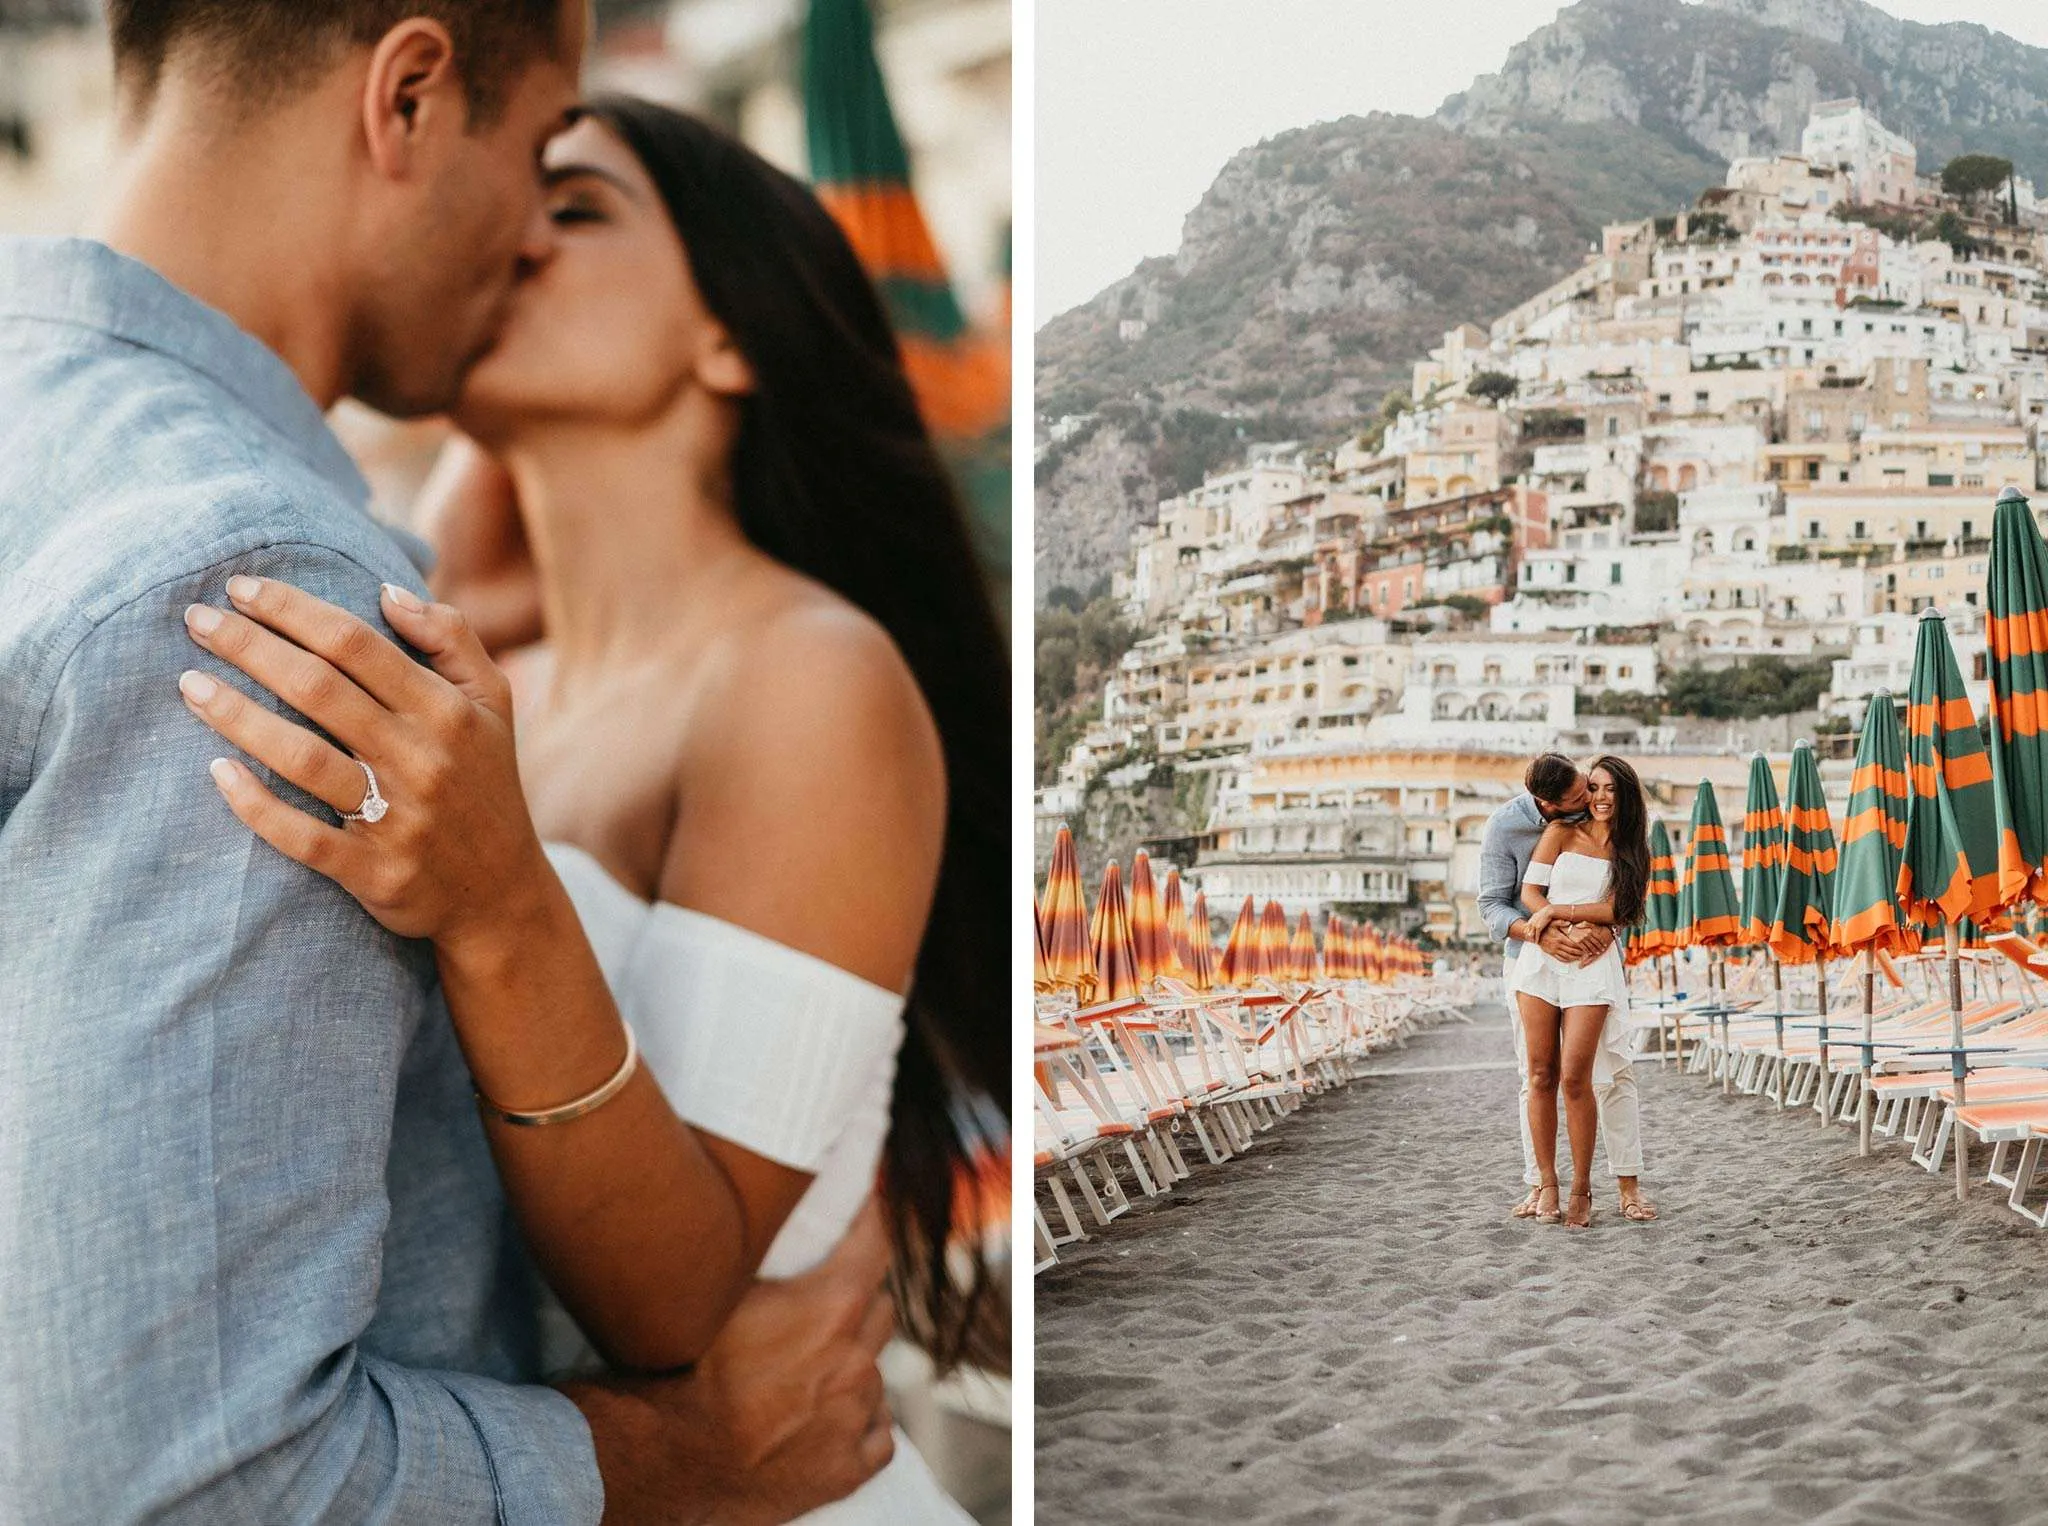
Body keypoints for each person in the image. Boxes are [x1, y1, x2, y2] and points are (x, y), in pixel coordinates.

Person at [0, 6, 895, 1521]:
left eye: (581, 198)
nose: (524, 240)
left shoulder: (73, 446)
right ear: (409, 96)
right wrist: (676, 1463)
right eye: (539, 151)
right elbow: (169, 1480)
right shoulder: (275, 583)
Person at [174, 99, 1007, 1522]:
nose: (516, 232)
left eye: (579, 209)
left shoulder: (805, 677)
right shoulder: (514, 680)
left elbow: (676, 1300)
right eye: (515, 199)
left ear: (730, 336)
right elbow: (442, 562)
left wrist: (500, 905)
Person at [1477, 753, 1658, 1225]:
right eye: (1584, 793)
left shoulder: (1632, 844)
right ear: (1548, 803)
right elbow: (1505, 902)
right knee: (1536, 1076)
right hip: (1533, 959)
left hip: (1594, 962)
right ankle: (1544, 1187)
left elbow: (1625, 906)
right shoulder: (1514, 828)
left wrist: (1579, 919)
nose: (1591, 800)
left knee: (1596, 1078)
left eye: (1601, 789)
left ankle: (1607, 1187)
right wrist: (1542, 928)